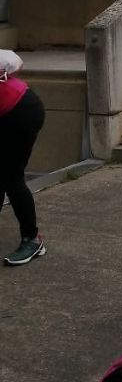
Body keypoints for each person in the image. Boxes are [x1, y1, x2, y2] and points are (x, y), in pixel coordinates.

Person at [0, 49, 46, 266]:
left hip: (22, 111)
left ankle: (33, 240)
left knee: (11, 176)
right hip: (9, 108)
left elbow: (14, 60)